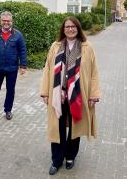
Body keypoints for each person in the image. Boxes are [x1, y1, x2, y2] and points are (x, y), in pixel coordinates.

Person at [40, 17, 102, 175]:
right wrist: (45, 92)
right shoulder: (56, 46)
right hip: (58, 94)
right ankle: (56, 159)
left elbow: (94, 72)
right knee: (57, 128)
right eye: (67, 27)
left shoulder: (87, 47)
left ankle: (70, 156)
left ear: (78, 28)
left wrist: (94, 94)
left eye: (73, 26)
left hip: (78, 95)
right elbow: (47, 69)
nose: (70, 29)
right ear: (63, 29)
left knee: (76, 126)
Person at [0, 11, 27, 124]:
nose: (6, 23)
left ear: (11, 21)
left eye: (8, 21)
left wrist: (23, 66)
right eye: (4, 21)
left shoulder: (18, 35)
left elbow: (22, 51)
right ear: (0, 21)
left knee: (10, 90)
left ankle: (8, 110)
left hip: (12, 69)